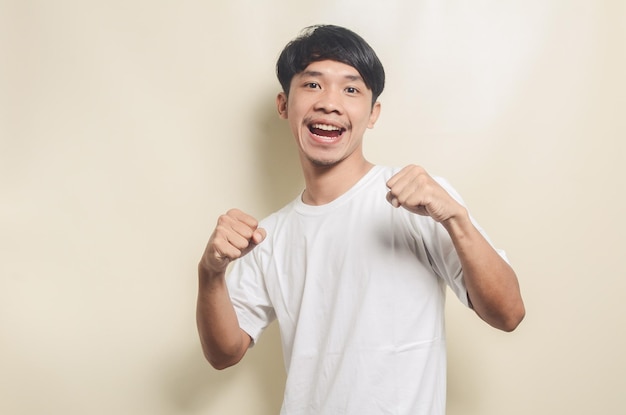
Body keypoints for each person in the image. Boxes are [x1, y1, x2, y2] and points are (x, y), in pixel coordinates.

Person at [196, 24, 525, 415]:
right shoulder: (269, 234)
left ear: (373, 113)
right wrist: (210, 273)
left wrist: (456, 219)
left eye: (351, 89)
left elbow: (508, 314)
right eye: (313, 85)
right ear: (284, 105)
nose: (330, 103)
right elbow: (223, 353)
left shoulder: (422, 199)